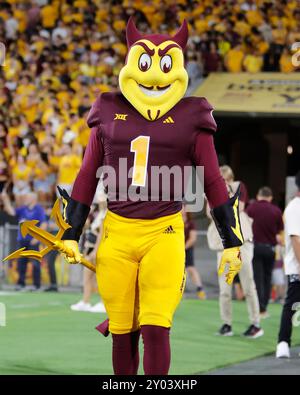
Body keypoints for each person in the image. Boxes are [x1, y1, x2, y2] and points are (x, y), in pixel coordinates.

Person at [55, 18, 244, 376]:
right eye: (145, 63)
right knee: (122, 332)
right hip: (117, 231)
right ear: (130, 63)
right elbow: (86, 173)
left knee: (156, 327)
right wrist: (70, 231)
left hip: (164, 232)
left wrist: (232, 239)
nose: (155, 76)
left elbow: (213, 180)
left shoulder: (191, 115)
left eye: (165, 64)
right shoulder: (109, 109)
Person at [207, 166, 263, 338]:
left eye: (223, 177)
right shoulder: (212, 191)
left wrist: (224, 195)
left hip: (241, 240)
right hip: (223, 243)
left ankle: (255, 323)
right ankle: (227, 324)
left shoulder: (238, 186)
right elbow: (210, 214)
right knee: (224, 289)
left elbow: (238, 207)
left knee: (248, 285)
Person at [247, 187, 284, 318]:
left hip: (255, 247)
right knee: (267, 278)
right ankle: (264, 307)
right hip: (270, 249)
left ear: (258, 195)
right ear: (270, 197)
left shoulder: (251, 208)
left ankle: (259, 307)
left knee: (257, 278)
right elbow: (280, 231)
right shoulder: (277, 211)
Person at [2, 190, 47, 290]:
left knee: (35, 263)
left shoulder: (39, 210)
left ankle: (37, 285)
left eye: (27, 197)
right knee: (21, 263)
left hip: (33, 241)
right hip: (21, 240)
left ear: (33, 199)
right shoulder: (23, 209)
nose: (25, 199)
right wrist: (5, 200)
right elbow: (11, 212)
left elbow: (44, 224)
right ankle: (21, 284)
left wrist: (37, 237)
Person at [276, 171, 300, 358]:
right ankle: (283, 342)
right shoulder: (294, 207)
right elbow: (295, 239)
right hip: (297, 267)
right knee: (292, 305)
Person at [182, 204, 206, 300]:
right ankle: (179, 292)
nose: (182, 210)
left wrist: (183, 248)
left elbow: (192, 239)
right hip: (176, 251)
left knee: (191, 269)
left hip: (187, 250)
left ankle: (200, 290)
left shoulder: (190, 223)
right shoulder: (175, 221)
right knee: (178, 271)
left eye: (183, 207)